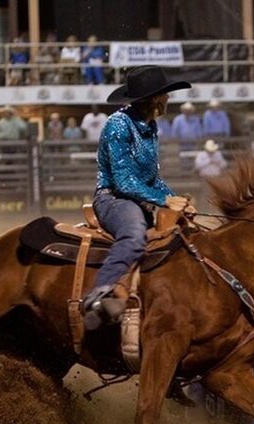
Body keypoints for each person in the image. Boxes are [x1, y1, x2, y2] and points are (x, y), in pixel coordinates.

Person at [81, 65, 193, 330]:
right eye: (165, 94)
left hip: (136, 199)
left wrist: (177, 200)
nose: (168, 99)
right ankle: (99, 295)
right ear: (154, 98)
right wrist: (165, 201)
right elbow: (123, 180)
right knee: (133, 235)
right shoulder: (118, 125)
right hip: (112, 199)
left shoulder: (150, 127)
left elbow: (151, 180)